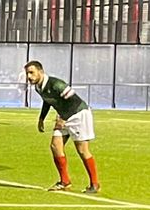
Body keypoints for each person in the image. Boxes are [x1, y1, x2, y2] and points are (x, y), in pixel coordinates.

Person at [26, 60, 101, 193]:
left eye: (31, 72)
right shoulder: (38, 87)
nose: (29, 76)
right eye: (27, 73)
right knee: (55, 146)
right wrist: (41, 118)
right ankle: (65, 182)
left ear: (41, 72)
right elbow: (47, 101)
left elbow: (74, 101)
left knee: (82, 150)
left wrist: (63, 118)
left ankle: (95, 184)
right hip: (64, 116)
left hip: (78, 114)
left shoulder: (56, 84)